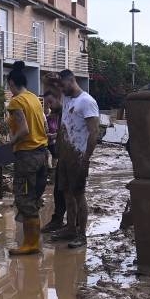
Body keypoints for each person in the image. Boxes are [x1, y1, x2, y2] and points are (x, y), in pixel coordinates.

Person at [52, 69, 100, 249]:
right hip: (65, 156)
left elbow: (94, 132)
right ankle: (70, 228)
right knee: (66, 194)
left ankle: (82, 234)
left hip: (79, 157)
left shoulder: (87, 102)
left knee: (79, 195)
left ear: (71, 81)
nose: (61, 90)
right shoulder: (67, 99)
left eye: (63, 85)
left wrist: (86, 158)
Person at [5, 62, 49, 256]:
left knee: (23, 198)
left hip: (27, 155)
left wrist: (10, 144)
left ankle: (31, 244)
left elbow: (24, 130)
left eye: (8, 86)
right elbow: (43, 127)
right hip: (42, 153)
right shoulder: (33, 98)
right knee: (34, 197)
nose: (9, 90)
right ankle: (34, 241)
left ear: (12, 83)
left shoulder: (16, 101)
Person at [41, 88, 67, 234]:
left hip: (71, 157)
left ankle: (73, 225)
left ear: (59, 98)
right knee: (59, 190)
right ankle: (58, 220)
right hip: (61, 155)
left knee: (71, 192)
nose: (49, 106)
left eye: (50, 102)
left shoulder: (68, 111)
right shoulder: (55, 114)